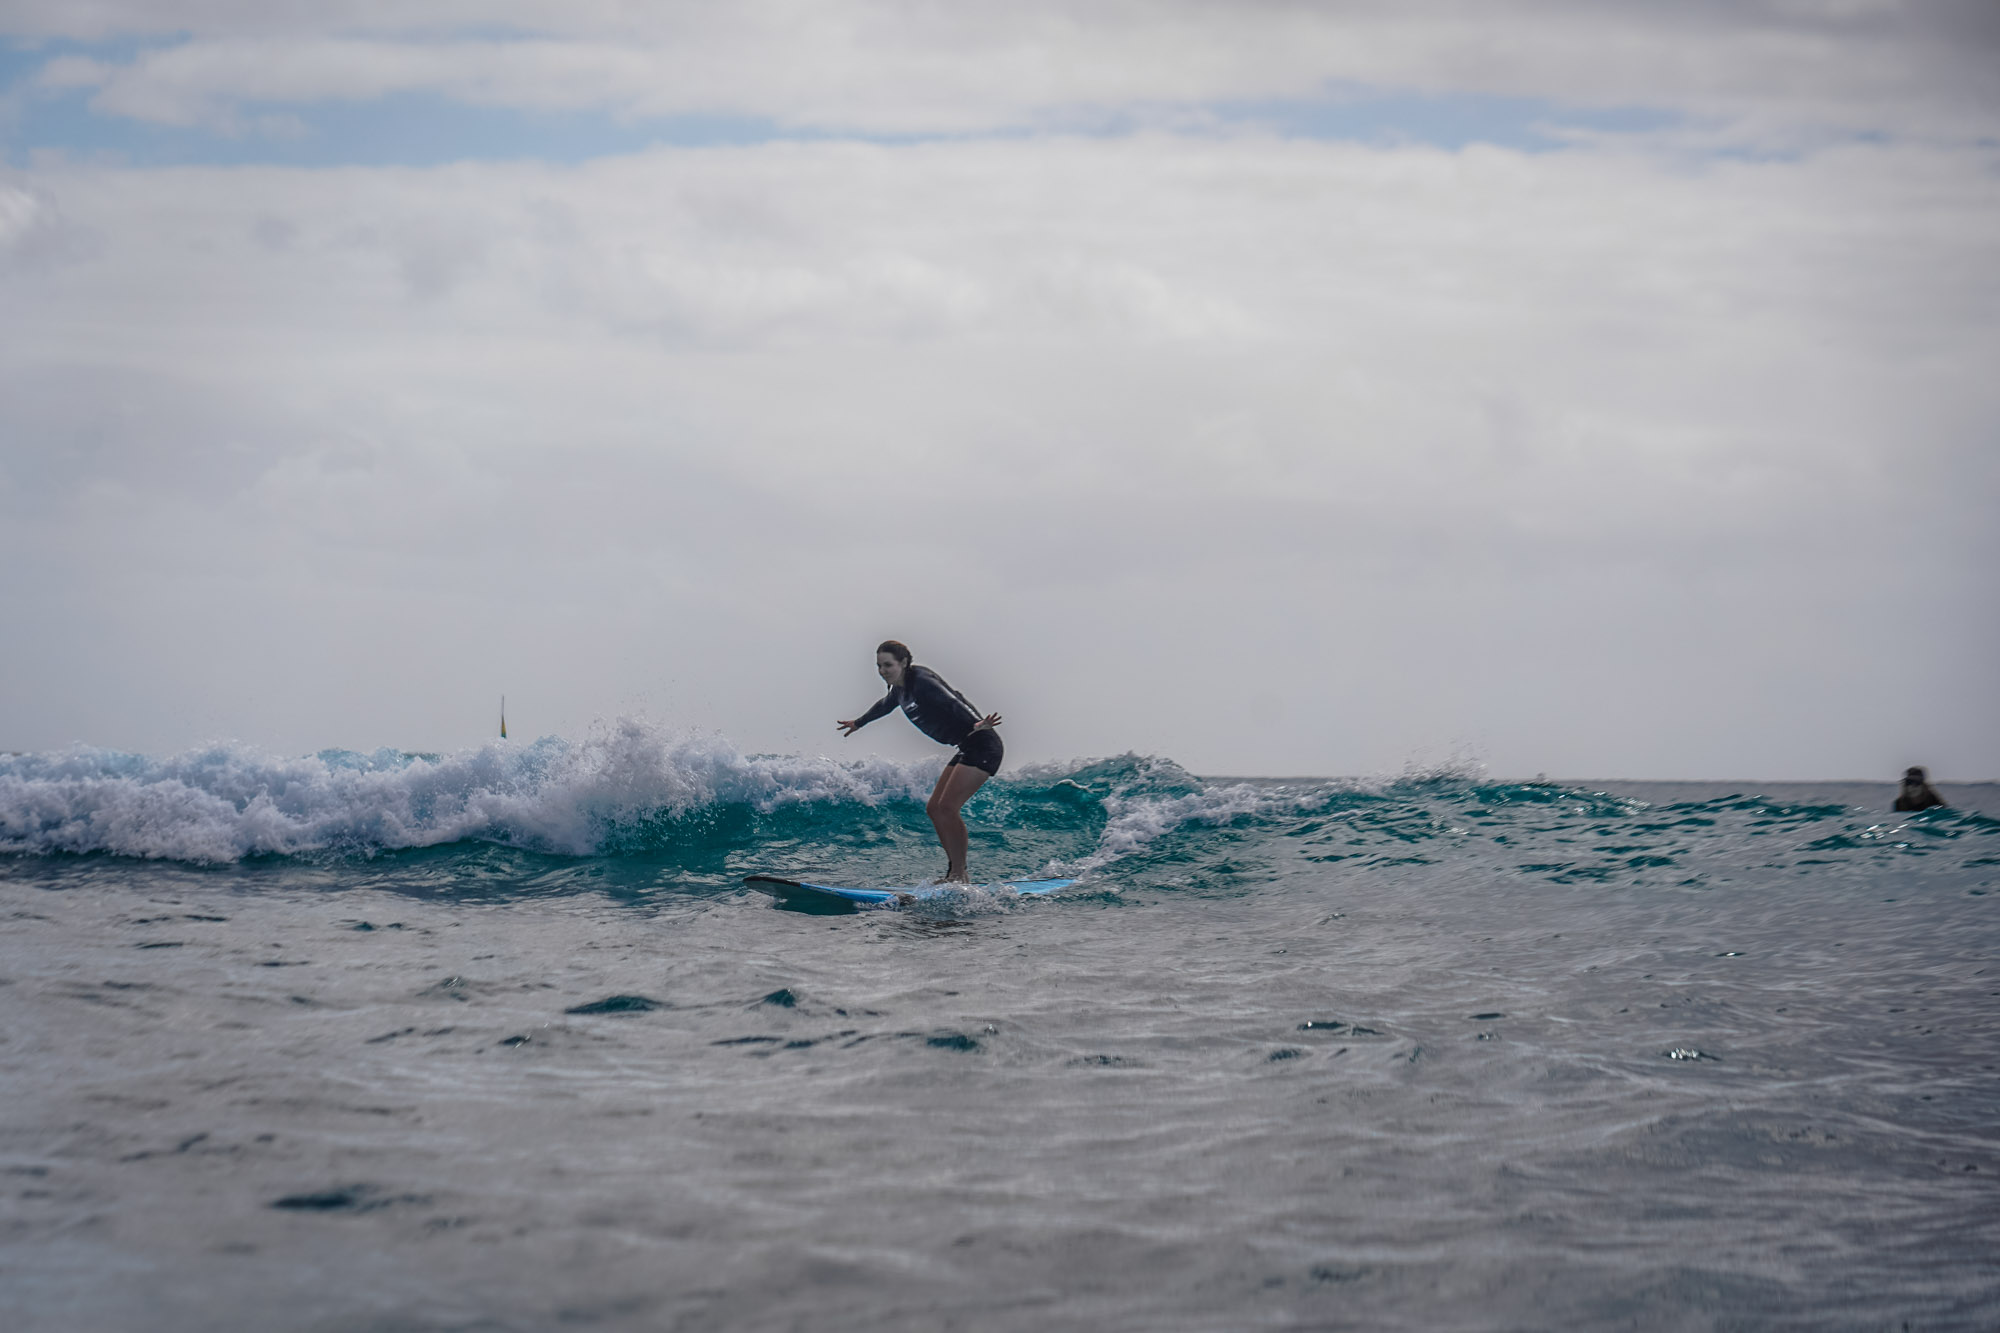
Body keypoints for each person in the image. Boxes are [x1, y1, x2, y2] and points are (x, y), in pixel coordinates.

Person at [837, 640, 1002, 884]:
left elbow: (952, 701)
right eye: (879, 666)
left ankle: (959, 874)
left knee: (947, 808)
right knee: (934, 809)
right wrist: (859, 723)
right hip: (967, 746)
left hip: (982, 744)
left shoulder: (922, 682)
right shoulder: (900, 690)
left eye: (888, 665)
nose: (883, 671)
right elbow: (884, 705)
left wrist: (975, 723)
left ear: (903, 663)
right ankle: (956, 873)